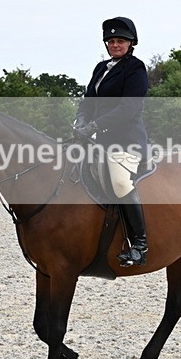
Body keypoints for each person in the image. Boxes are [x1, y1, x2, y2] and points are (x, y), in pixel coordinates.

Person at [73, 17, 149, 267]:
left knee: (119, 182)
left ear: (130, 43)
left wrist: (95, 126)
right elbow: (88, 101)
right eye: (111, 41)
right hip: (97, 141)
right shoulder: (100, 68)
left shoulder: (136, 68)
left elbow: (128, 108)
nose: (115, 45)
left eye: (120, 41)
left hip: (126, 141)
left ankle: (139, 245)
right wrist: (81, 120)